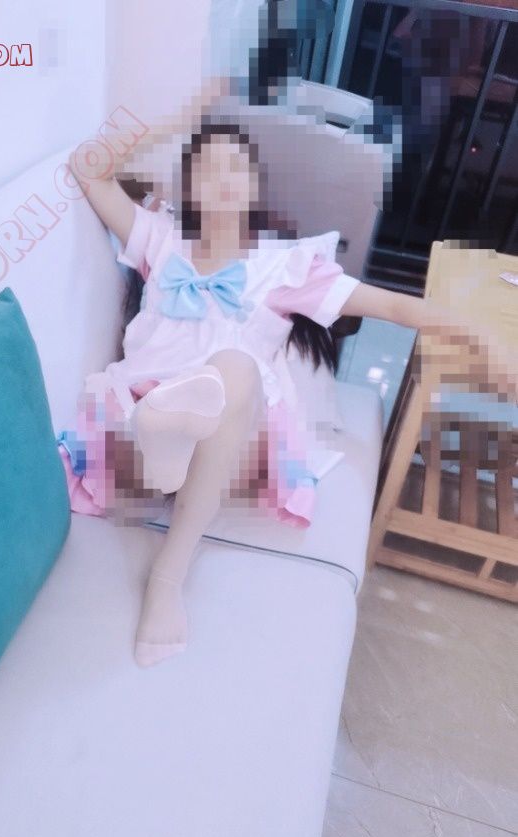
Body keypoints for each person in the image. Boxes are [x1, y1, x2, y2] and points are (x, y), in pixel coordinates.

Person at [59, 115, 516, 671]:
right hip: (134, 422)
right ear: (187, 188)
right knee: (167, 404)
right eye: (206, 169)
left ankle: (167, 576)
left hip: (233, 442)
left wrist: (485, 339)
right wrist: (179, 117)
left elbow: (394, 305)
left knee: (233, 370)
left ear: (255, 187)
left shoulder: (284, 266)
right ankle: (163, 436)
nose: (223, 179)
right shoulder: (158, 237)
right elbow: (89, 169)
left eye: (236, 168)